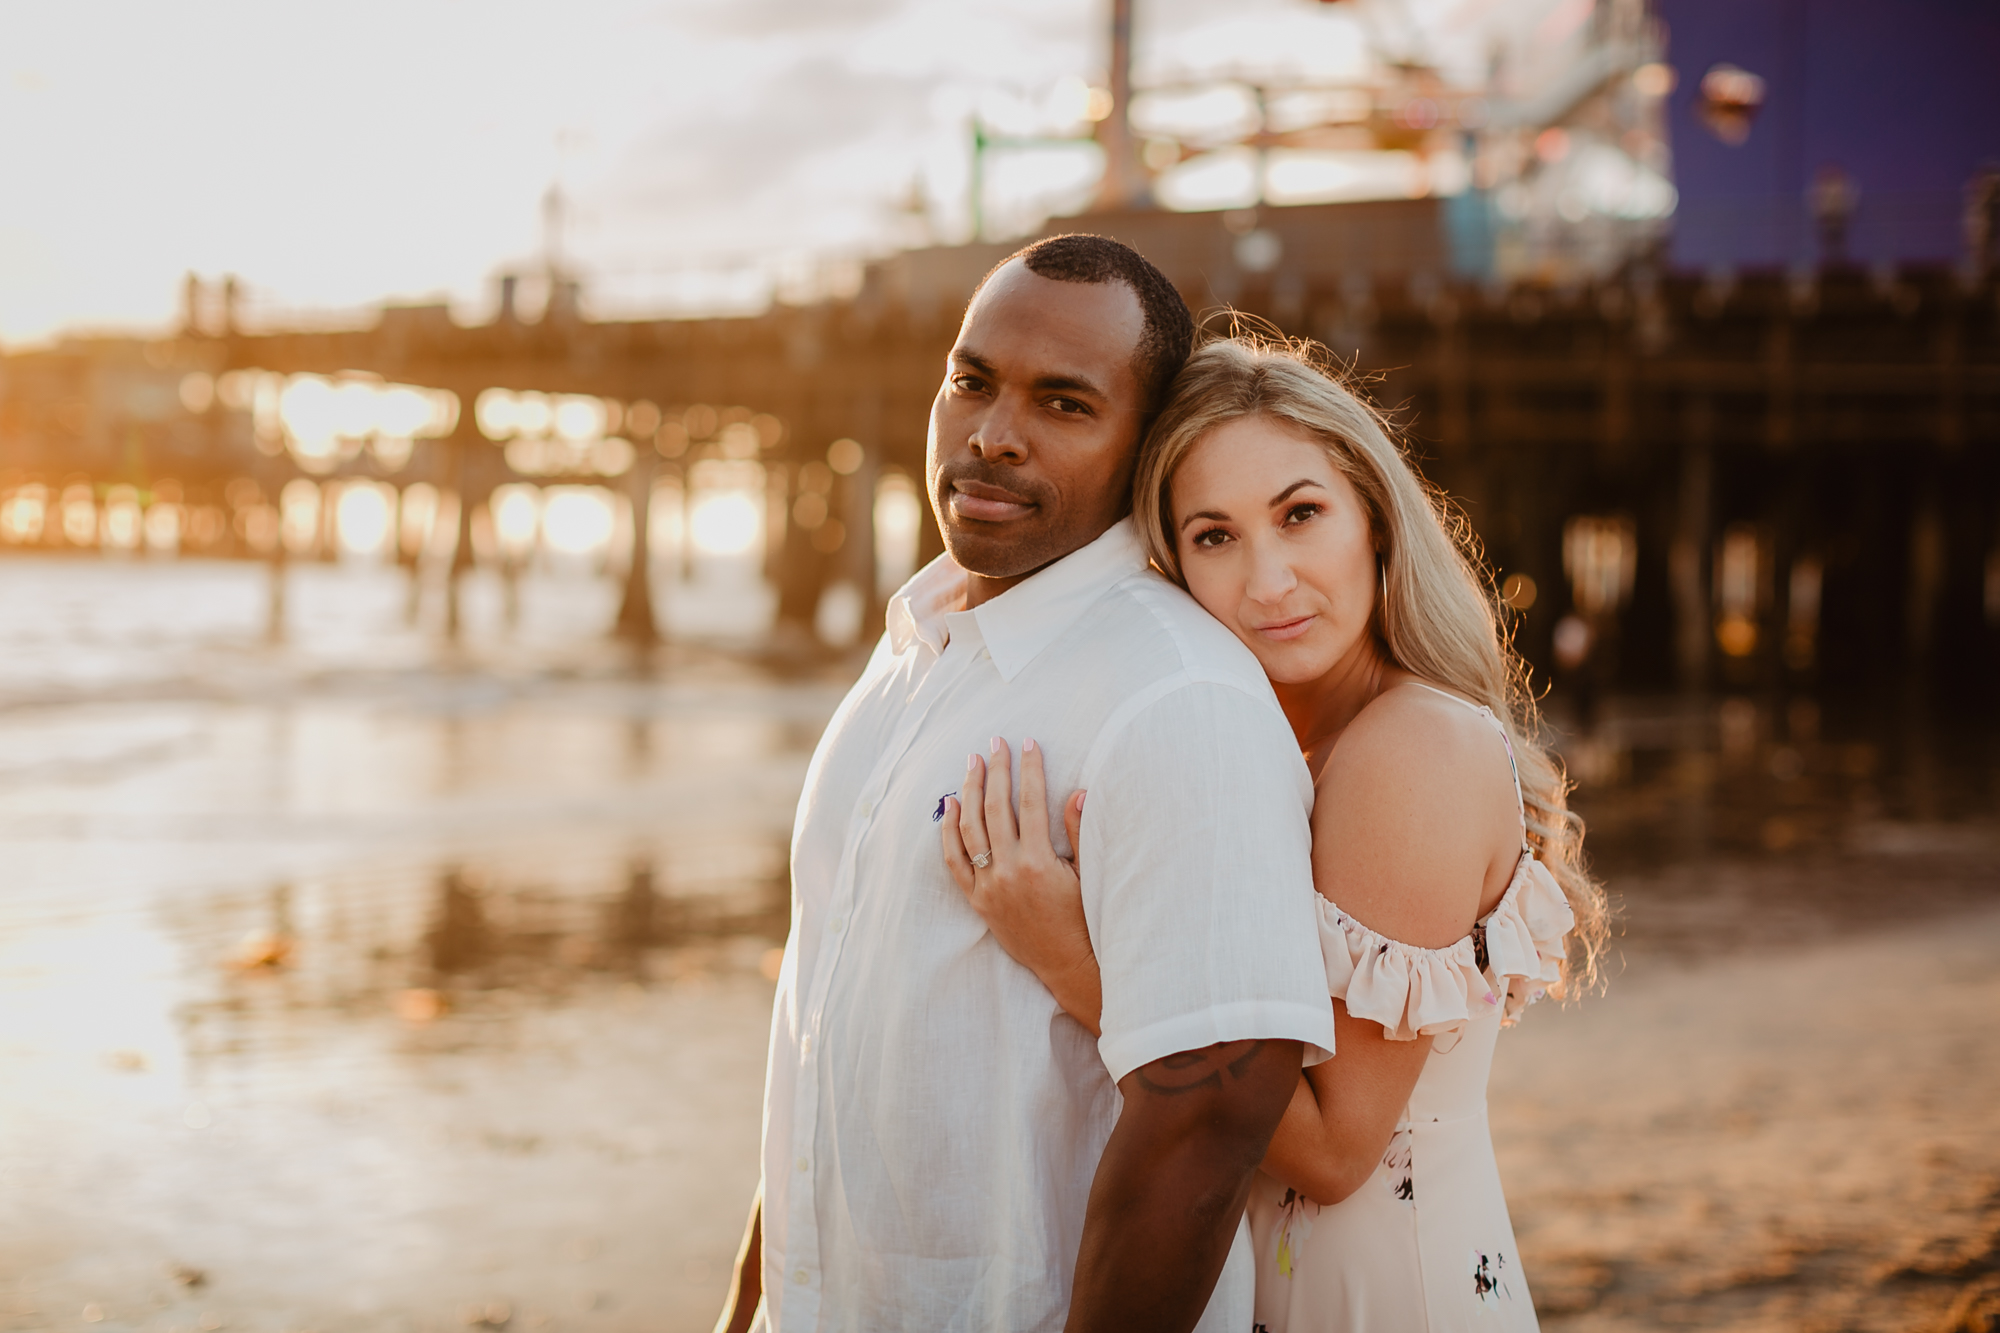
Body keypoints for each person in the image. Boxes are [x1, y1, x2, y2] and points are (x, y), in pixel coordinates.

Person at [714, 238, 1339, 1333]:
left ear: (1143, 447)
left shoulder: (1174, 693)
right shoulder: (916, 643)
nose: (991, 433)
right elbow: (823, 1021)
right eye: (971, 381)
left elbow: (1210, 1113)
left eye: (1061, 403)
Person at [944, 334, 1610, 1331]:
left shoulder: (1408, 746)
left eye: (1299, 515)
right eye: (1213, 536)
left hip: (1384, 1299)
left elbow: (1339, 1153)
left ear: (1372, 517)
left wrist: (1072, 957)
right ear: (1168, 565)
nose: (1268, 581)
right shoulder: (1288, 753)